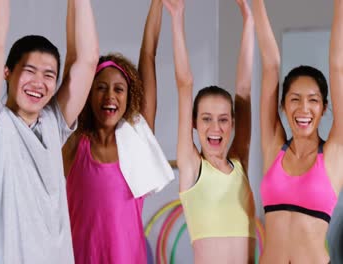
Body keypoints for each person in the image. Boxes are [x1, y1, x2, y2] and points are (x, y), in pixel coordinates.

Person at [0, 0, 99, 262]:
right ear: (7, 72)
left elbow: (86, 59)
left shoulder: (53, 122)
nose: (39, 82)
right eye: (29, 71)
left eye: (49, 75)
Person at [63, 0, 173, 262]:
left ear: (129, 96)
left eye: (118, 89)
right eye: (100, 88)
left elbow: (149, 54)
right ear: (88, 95)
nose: (109, 96)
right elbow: (72, 57)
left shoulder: (137, 139)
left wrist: (158, 3)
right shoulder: (74, 142)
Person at [254, 0, 343, 263]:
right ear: (282, 105)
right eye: (295, 99)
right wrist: (257, 5)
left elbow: (337, 65)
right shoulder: (273, 147)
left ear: (324, 108)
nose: (304, 108)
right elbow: (270, 65)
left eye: (313, 100)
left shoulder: (334, 154)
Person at [168, 0, 256, 263]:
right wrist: (177, 17)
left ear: (232, 123)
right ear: (194, 123)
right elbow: (185, 84)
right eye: (206, 119)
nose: (215, 128)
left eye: (223, 119)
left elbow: (244, 89)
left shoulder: (239, 163)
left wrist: (248, 21)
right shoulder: (192, 166)